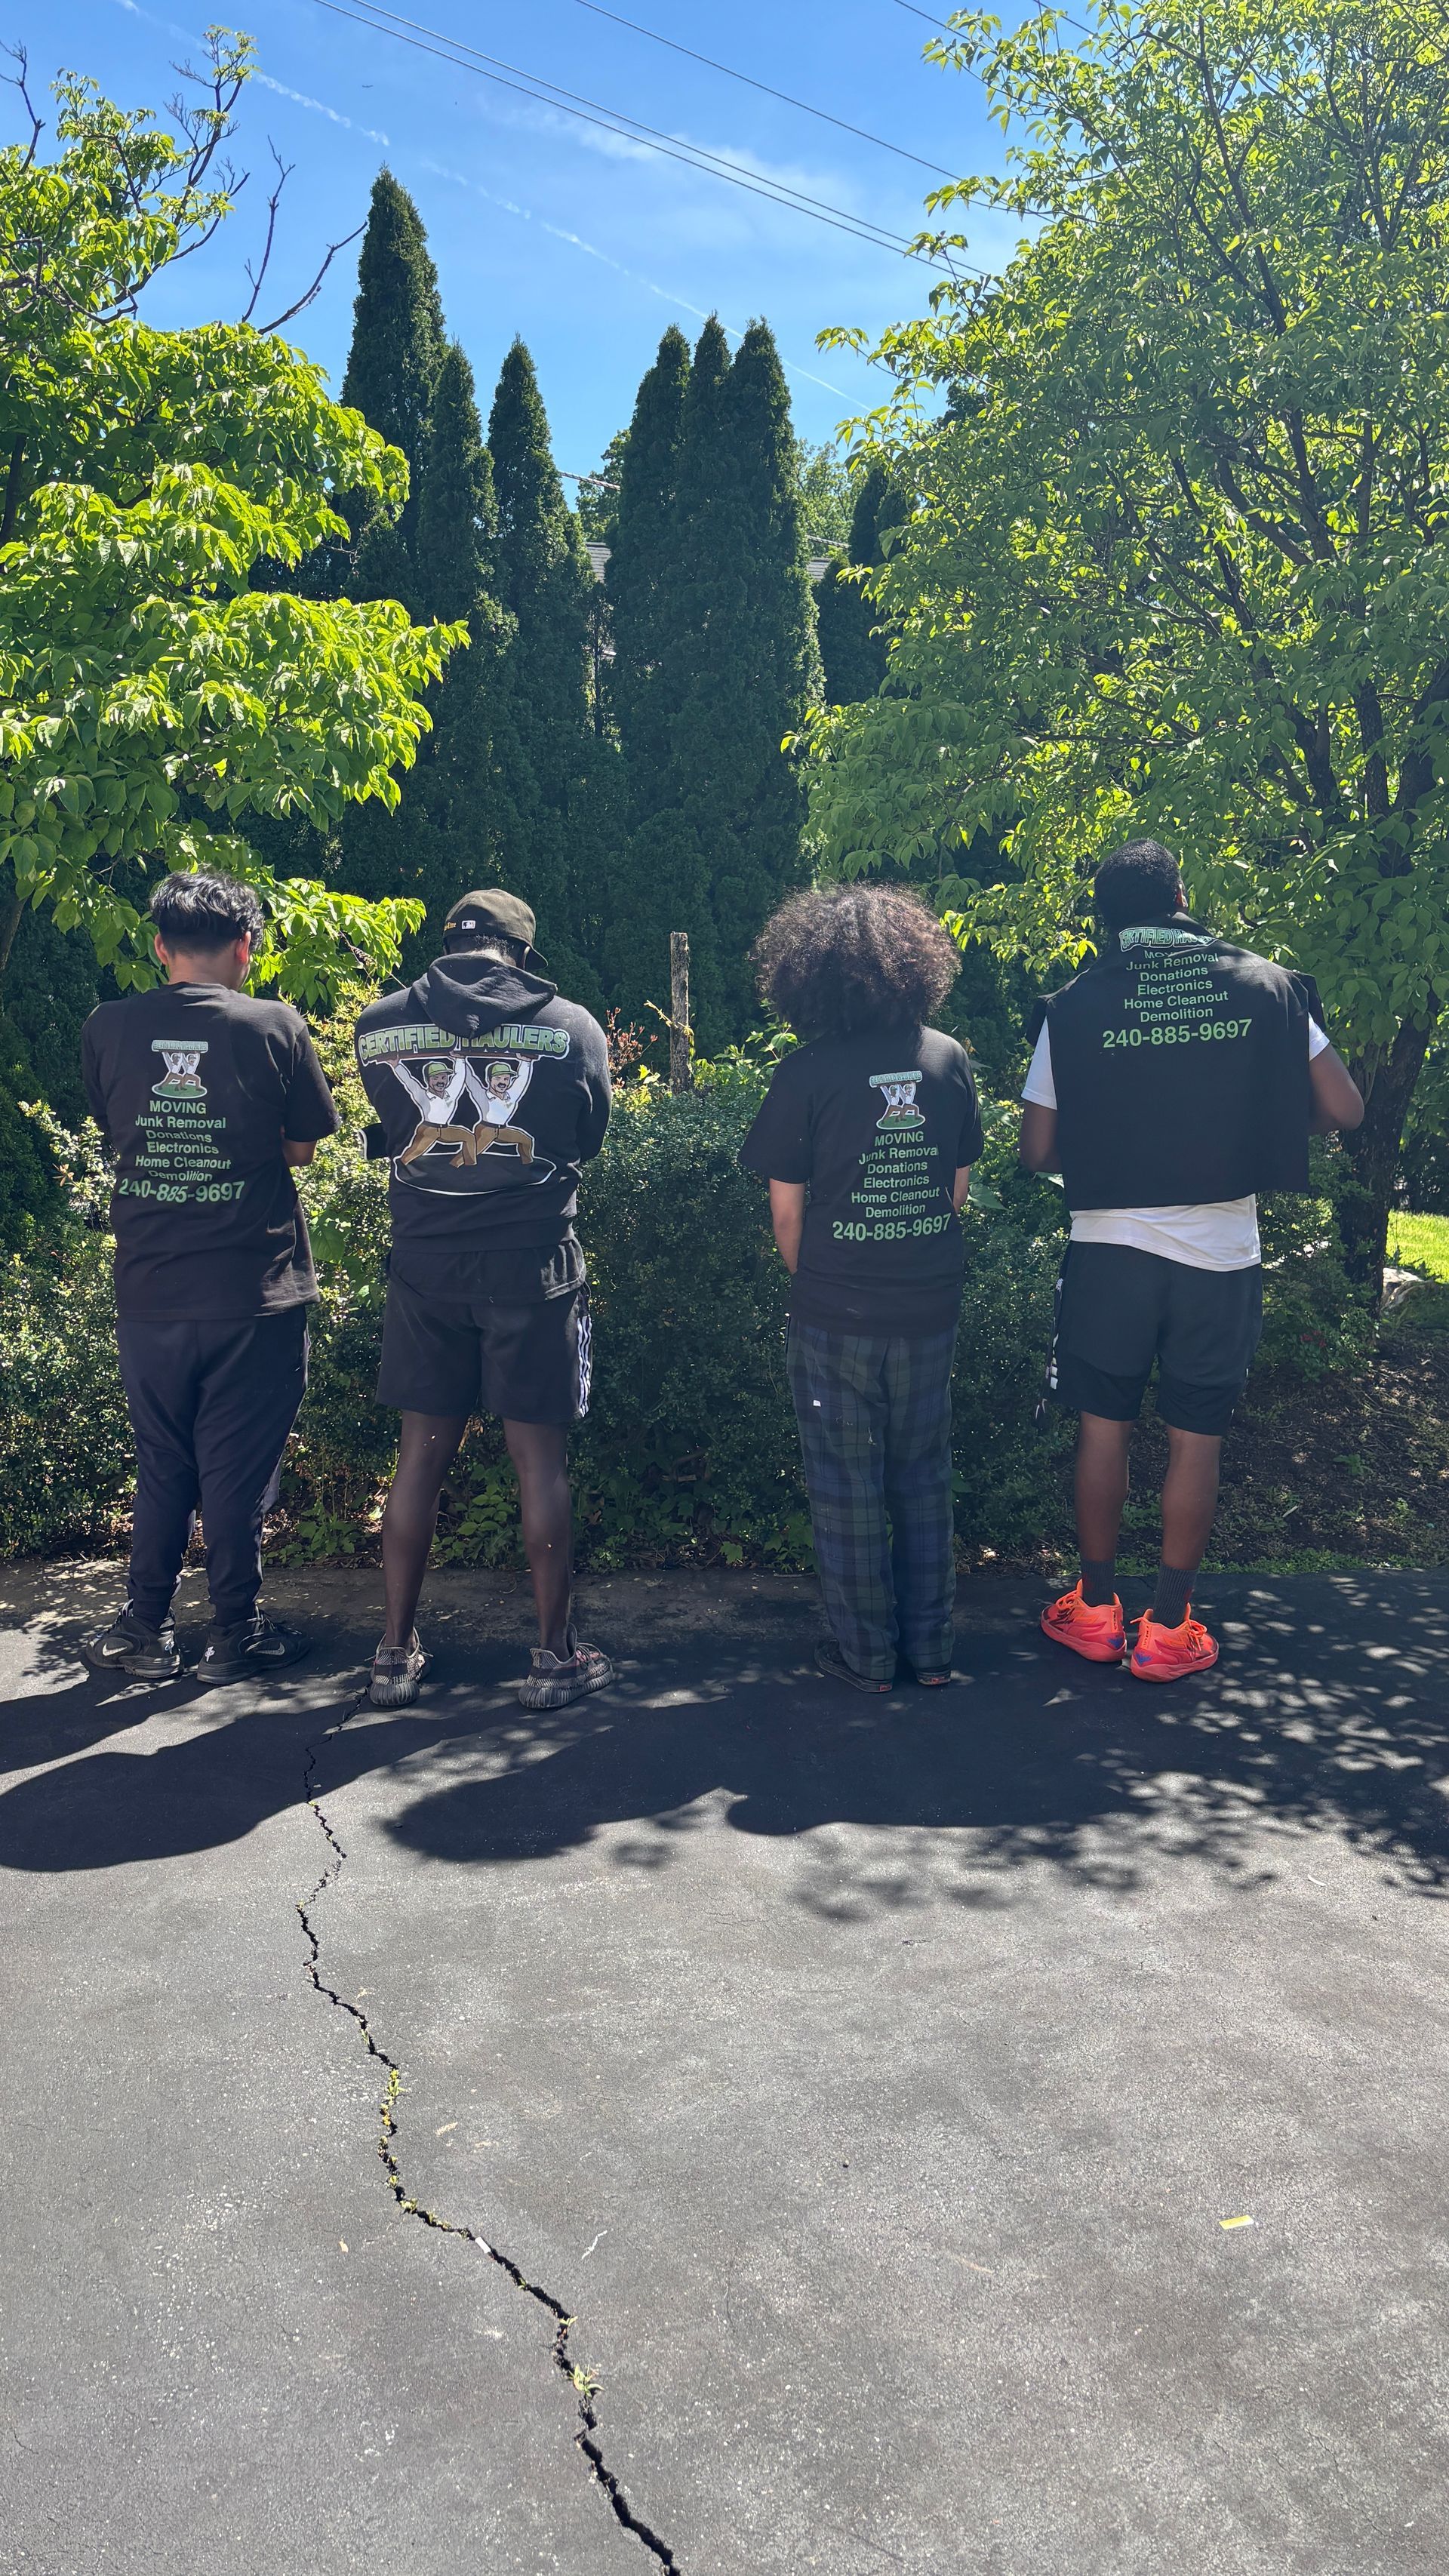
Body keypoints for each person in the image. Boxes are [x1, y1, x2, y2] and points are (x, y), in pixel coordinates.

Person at [1022, 838, 1364, 1682]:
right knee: (1195, 1436)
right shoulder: (1270, 987)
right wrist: (1258, 1132)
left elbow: (1036, 1148)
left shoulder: (1075, 1004)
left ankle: (1096, 1611)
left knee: (1105, 1426)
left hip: (1108, 1248)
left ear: (1104, 916)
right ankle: (1170, 1630)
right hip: (1221, 1250)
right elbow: (1345, 1107)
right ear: (1182, 892)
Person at [355, 888, 614, 1712]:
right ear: (522, 954)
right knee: (538, 1460)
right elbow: (590, 1134)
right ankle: (553, 1657)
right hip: (533, 1268)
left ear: (449, 943)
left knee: (420, 1457)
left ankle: (393, 1654)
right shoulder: (571, 1027)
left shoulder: (377, 1023)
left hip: (426, 1267)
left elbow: (389, 1127)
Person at [80, 872, 340, 1680]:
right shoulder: (275, 1024)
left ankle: (142, 1630)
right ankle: (236, 1631)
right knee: (234, 1469)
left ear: (160, 946)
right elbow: (301, 1148)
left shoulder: (108, 1025)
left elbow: (118, 1125)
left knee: (163, 1462)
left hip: (150, 1290)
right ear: (246, 948)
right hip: (252, 1290)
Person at [740, 885, 984, 1693]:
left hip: (834, 1312)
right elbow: (956, 1191)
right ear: (916, 967)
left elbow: (786, 1214)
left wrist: (821, 1282)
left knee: (846, 1486)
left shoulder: (805, 1073)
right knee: (922, 1474)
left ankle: (867, 1659)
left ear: (808, 975)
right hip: (929, 1304)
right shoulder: (947, 1058)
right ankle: (936, 1653)